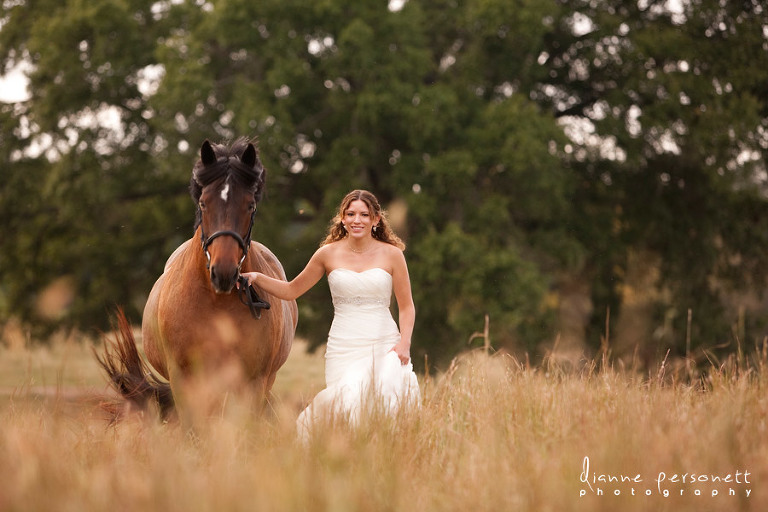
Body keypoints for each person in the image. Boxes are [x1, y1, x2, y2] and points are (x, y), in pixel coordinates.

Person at [240, 189, 420, 437]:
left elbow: (407, 305)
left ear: (376, 219)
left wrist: (404, 343)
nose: (357, 220)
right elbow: (292, 290)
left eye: (364, 215)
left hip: (384, 344)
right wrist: (258, 278)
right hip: (343, 345)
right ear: (343, 218)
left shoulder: (392, 255)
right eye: (351, 214)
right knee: (345, 407)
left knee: (382, 408)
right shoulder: (327, 254)